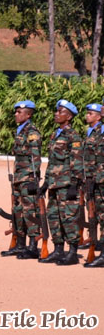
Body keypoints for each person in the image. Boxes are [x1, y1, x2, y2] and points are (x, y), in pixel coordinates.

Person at [39, 100, 83, 266]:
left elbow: (77, 161)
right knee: (54, 217)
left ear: (69, 116)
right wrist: (46, 182)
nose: (57, 114)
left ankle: (72, 252)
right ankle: (58, 250)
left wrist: (74, 183)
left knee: (69, 218)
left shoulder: (73, 136)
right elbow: (52, 162)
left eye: (61, 112)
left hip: (66, 185)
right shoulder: (55, 134)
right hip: (54, 185)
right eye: (57, 111)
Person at [0, 100, 43, 259]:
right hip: (18, 177)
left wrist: (33, 178)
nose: (16, 114)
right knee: (17, 211)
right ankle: (20, 244)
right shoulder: (21, 130)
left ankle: (32, 247)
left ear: (29, 114)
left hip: (27, 178)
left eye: (19, 112)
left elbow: (35, 157)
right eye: (16, 111)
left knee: (30, 210)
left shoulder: (31, 132)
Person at [83, 103, 103, 267]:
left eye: (91, 113)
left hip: (101, 180)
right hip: (94, 180)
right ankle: (98, 245)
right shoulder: (93, 132)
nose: (87, 116)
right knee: (95, 215)